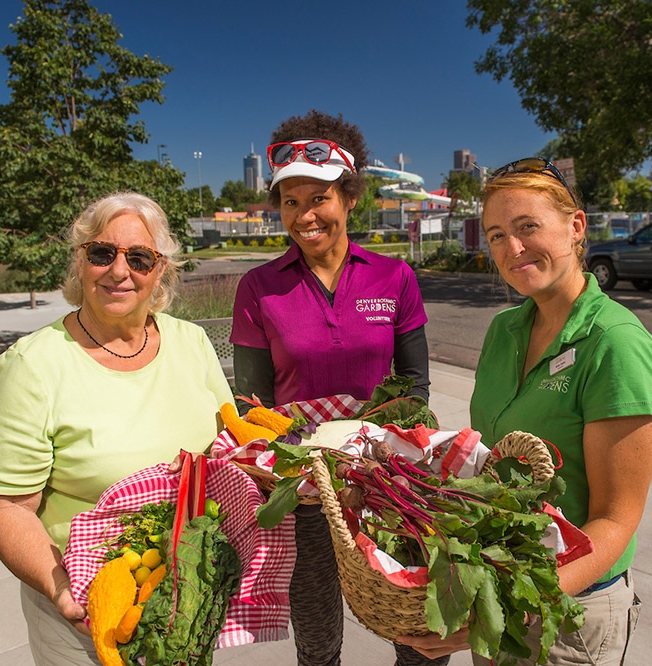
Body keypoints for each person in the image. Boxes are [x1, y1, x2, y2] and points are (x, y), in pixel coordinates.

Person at [396, 158, 652, 665]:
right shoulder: (504, 331)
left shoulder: (616, 345)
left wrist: (501, 608)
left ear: (576, 227)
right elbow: (486, 460)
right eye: (497, 235)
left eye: (527, 227)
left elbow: (615, 522)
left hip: (567, 612)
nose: (512, 249)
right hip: (502, 588)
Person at [0, 191, 234, 666]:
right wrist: (62, 591)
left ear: (161, 271)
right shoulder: (32, 366)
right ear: (81, 261)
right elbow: (7, 507)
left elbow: (228, 449)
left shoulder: (191, 341)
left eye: (139, 258)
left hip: (186, 597)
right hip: (87, 613)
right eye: (102, 253)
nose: (120, 271)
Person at [230, 110, 437, 666]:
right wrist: (298, 470)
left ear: (349, 198)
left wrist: (376, 459)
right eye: (290, 202)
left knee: (418, 634)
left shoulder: (394, 277)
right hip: (304, 489)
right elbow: (251, 410)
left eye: (318, 198)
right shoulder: (259, 288)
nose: (304, 215)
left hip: (387, 482)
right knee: (318, 641)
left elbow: (416, 388)